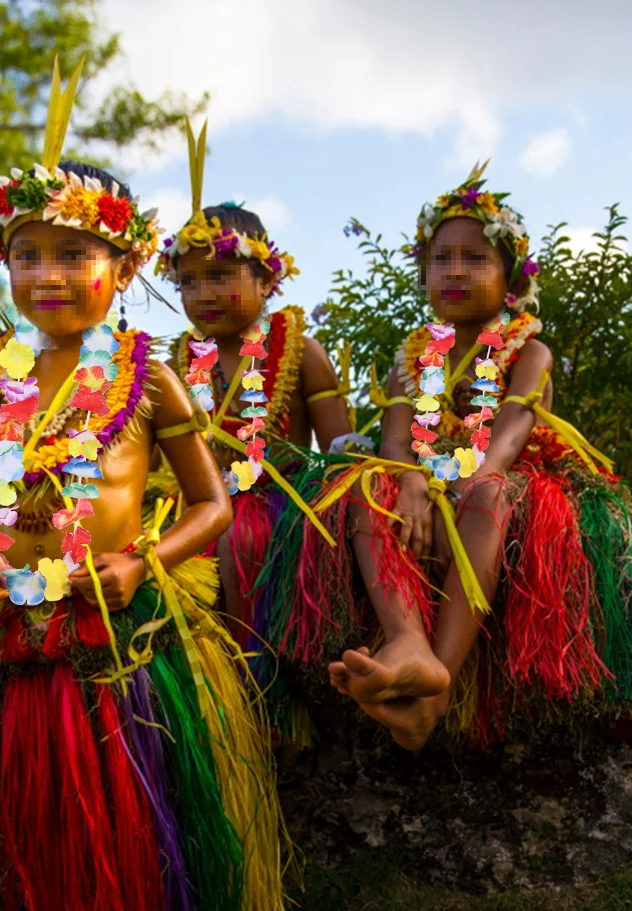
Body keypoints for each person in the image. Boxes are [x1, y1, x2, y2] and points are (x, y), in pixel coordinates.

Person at [0, 63, 285, 911]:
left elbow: (210, 504)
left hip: (124, 646)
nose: (46, 274)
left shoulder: (146, 371)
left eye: (72, 253)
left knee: (135, 830)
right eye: (25, 254)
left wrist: (141, 559)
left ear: (119, 264)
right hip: (16, 648)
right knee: (48, 833)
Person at [329, 164, 632, 749]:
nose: (456, 271)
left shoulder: (529, 349)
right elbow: (394, 442)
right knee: (365, 489)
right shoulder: (411, 358)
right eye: (442, 259)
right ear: (423, 272)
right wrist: (410, 481)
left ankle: (435, 688)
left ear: (509, 276)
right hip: (432, 478)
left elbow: (510, 434)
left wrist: (468, 480)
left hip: (503, 482)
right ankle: (405, 638)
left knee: (486, 492)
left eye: (476, 259)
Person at [156, 122, 437, 743]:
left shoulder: (298, 348)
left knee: (244, 533)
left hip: (279, 497)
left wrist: (356, 465)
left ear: (268, 281)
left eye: (224, 276)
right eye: (189, 281)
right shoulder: (173, 363)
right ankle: (190, 689)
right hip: (195, 501)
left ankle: (257, 685)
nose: (204, 293)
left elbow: (339, 444)